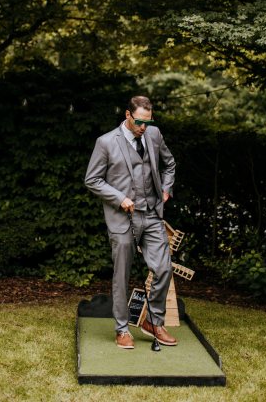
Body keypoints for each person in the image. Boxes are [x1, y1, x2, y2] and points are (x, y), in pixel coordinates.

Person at [85, 95, 177, 349]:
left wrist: (166, 190)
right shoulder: (105, 142)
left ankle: (154, 322)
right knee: (122, 275)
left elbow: (169, 164)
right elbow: (92, 180)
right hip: (122, 217)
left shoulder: (154, 135)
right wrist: (119, 198)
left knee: (163, 269)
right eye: (138, 122)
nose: (143, 127)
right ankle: (122, 329)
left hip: (152, 214)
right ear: (127, 115)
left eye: (147, 122)